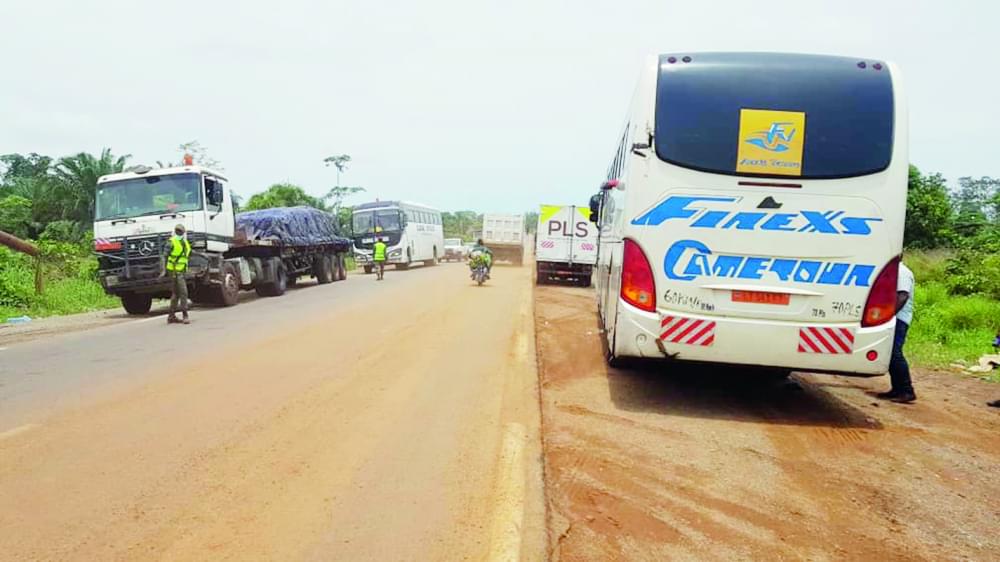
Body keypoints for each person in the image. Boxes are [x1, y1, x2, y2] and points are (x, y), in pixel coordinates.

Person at [877, 260, 916, 403]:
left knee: (895, 353)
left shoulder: (903, 272)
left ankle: (907, 390)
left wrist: (889, 314)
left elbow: (903, 296)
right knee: (890, 354)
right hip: (894, 317)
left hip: (899, 319)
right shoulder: (894, 270)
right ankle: (897, 389)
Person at [166, 223, 192, 325]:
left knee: (176, 294)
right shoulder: (171, 242)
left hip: (181, 270)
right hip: (174, 271)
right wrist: (164, 271)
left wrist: (202, 255)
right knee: (183, 292)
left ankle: (171, 316)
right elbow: (164, 256)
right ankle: (185, 315)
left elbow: (188, 253)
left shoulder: (185, 243)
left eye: (180, 232)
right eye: (177, 231)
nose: (179, 233)